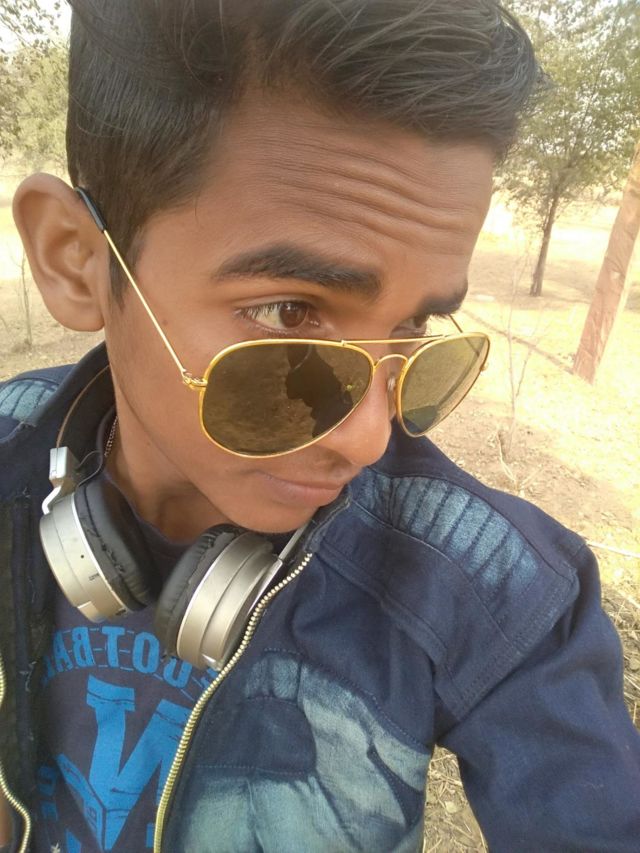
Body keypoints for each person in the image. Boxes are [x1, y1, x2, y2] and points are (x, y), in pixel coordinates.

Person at [1, 0, 638, 850]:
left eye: (413, 329)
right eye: (288, 313)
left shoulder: (498, 592)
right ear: (77, 260)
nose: (369, 438)